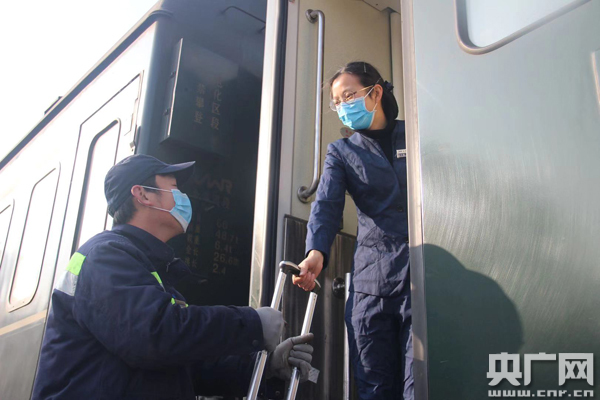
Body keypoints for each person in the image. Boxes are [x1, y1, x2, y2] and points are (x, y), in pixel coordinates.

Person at [32, 154, 314, 400]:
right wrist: (250, 324)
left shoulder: (150, 271)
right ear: (142, 195)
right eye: (175, 188)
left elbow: (190, 368)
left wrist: (266, 367)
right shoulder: (105, 257)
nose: (183, 198)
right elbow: (154, 334)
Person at [293, 62, 413, 399]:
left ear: (375, 92)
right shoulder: (342, 151)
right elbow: (326, 205)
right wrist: (315, 252)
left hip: (421, 278)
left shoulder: (417, 134)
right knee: (375, 388)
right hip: (371, 283)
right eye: (337, 102)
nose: (343, 106)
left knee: (420, 384)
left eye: (349, 96)